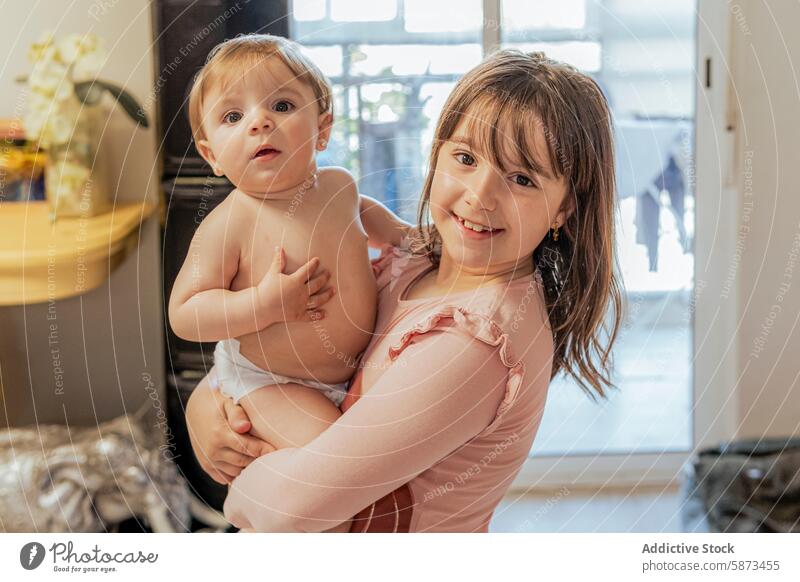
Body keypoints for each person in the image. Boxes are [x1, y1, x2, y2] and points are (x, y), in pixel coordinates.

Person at [185, 49, 623, 532]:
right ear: (436, 154)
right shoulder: (414, 263)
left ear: (564, 208)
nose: (479, 195)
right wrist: (204, 408)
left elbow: (290, 509)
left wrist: (237, 485)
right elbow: (280, 350)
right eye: (465, 158)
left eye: (521, 178)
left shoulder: (473, 345)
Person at [169, 34, 409, 533]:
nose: (259, 121)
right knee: (338, 467)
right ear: (213, 155)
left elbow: (364, 213)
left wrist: (406, 237)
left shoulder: (339, 185)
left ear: (322, 130)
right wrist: (265, 304)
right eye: (233, 117)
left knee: (361, 469)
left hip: (348, 374)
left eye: (281, 104)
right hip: (272, 383)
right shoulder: (230, 223)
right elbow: (186, 312)